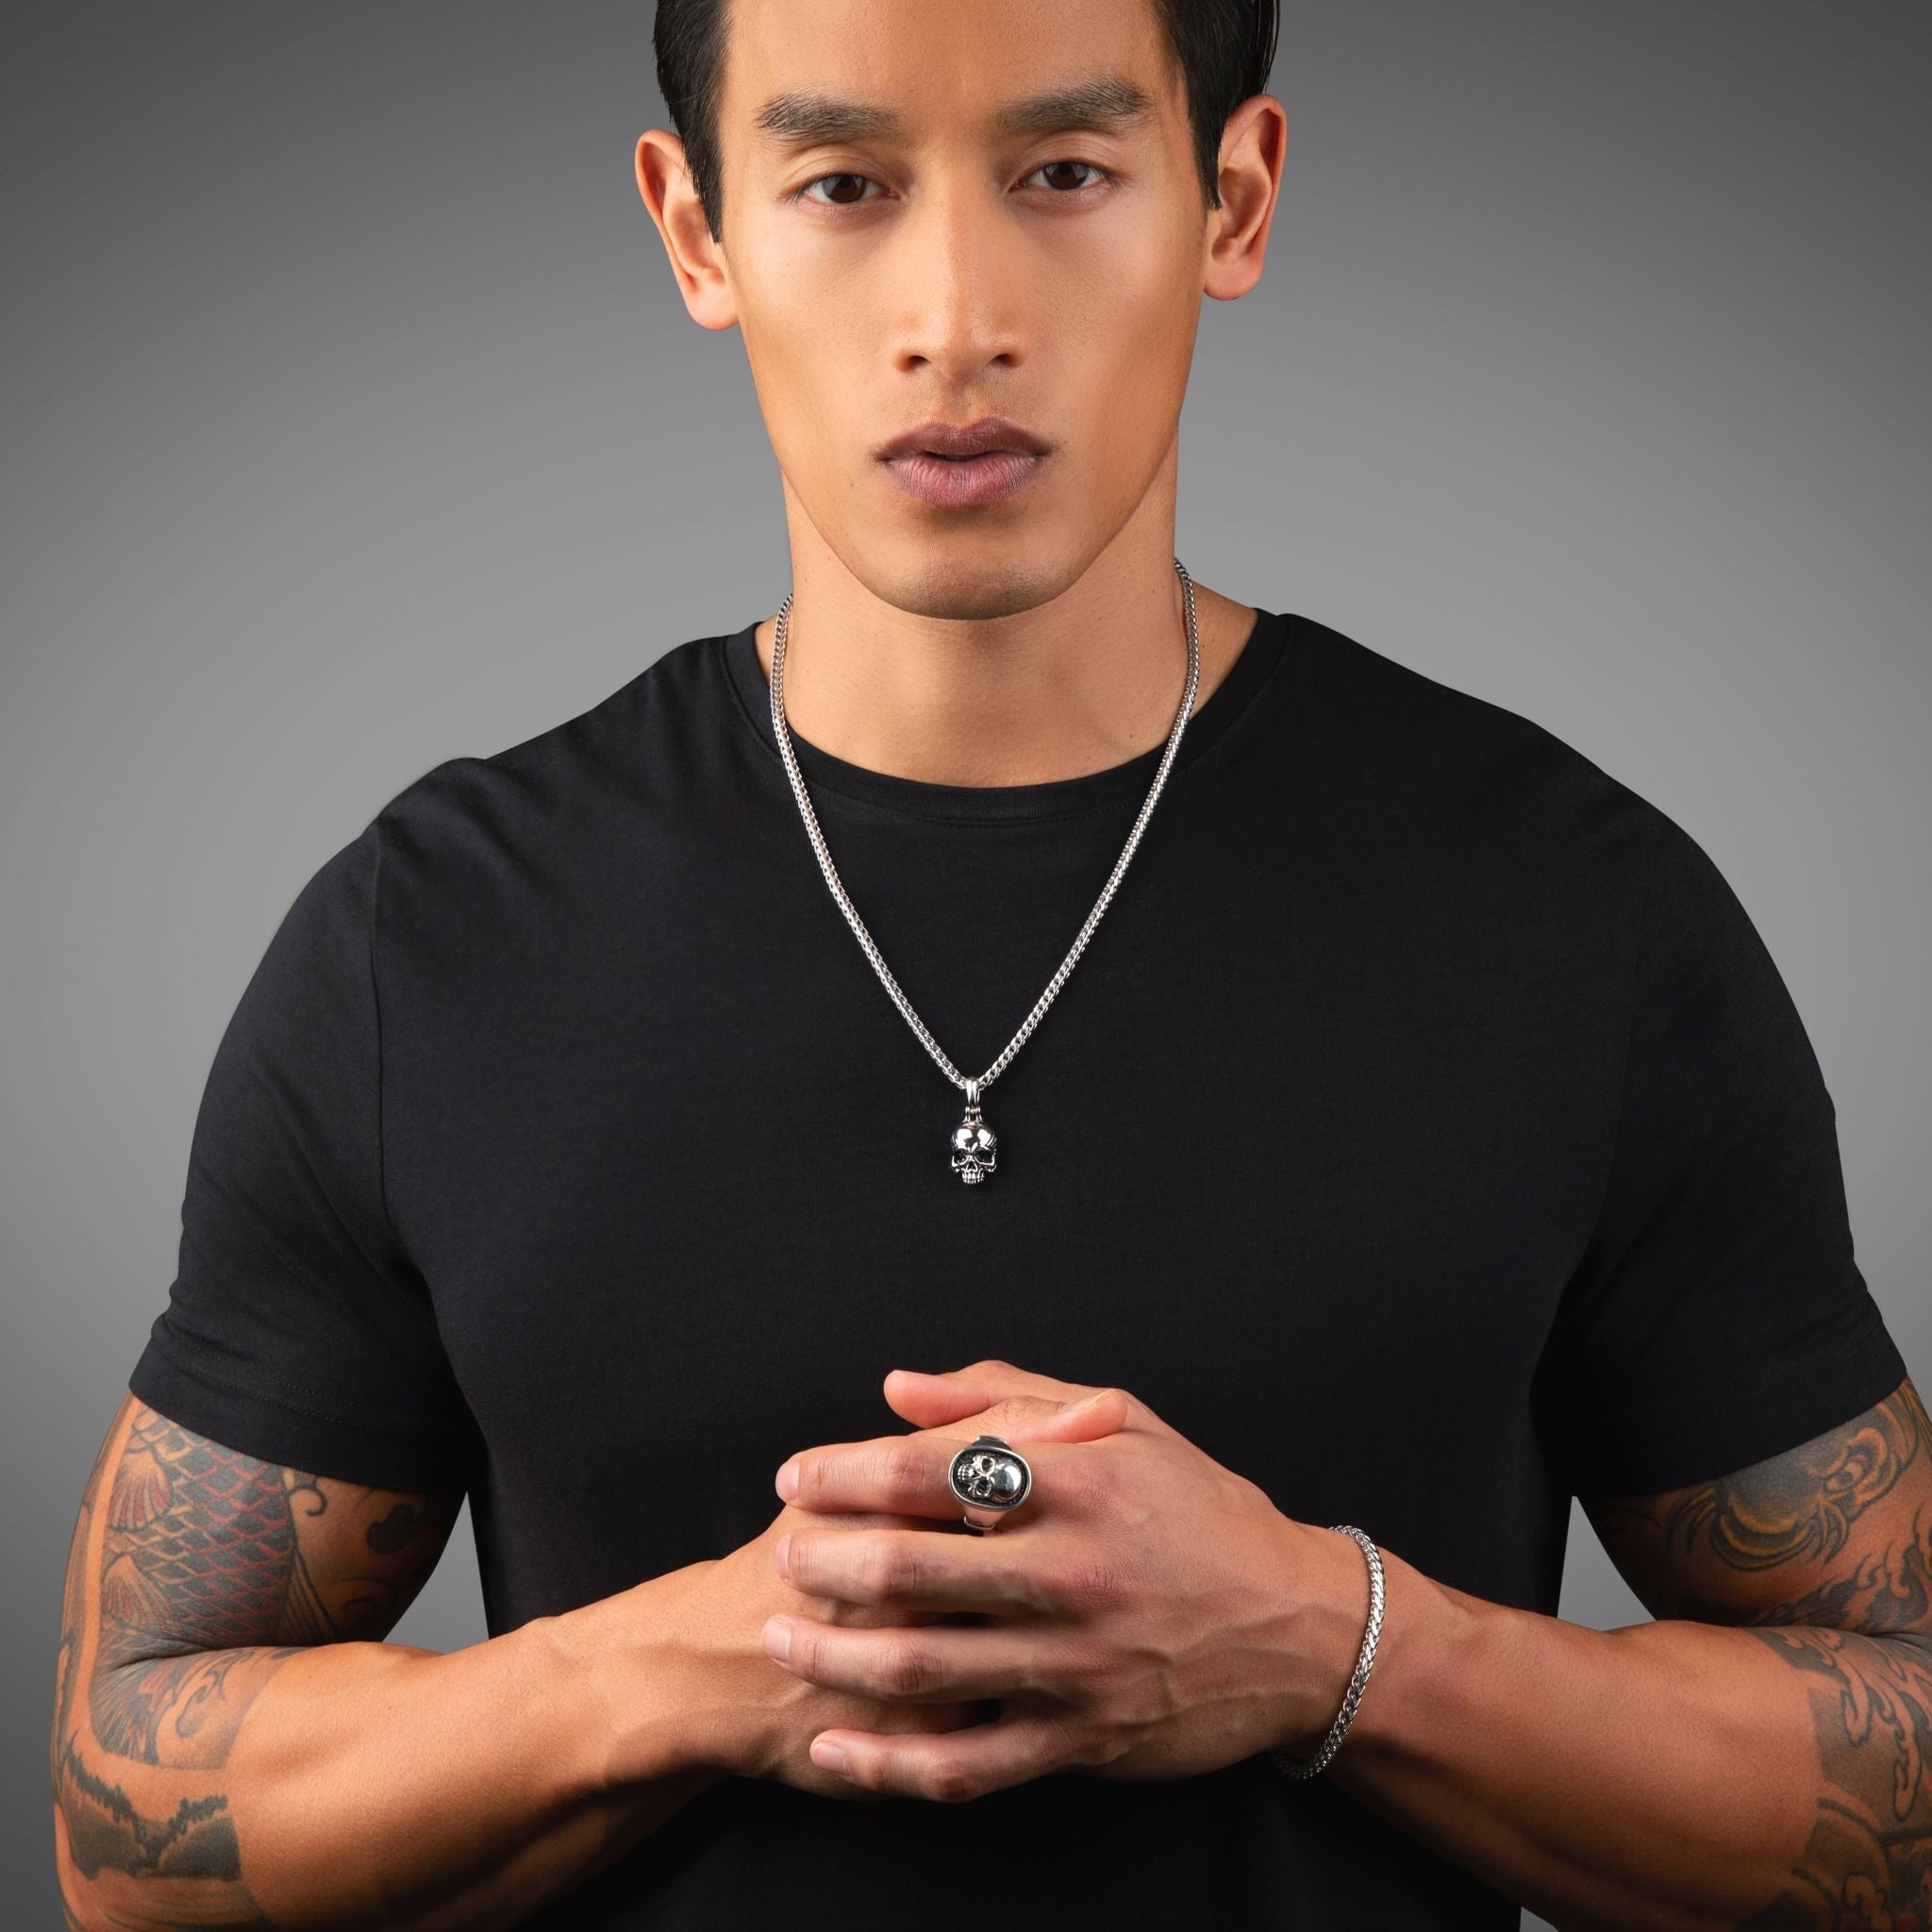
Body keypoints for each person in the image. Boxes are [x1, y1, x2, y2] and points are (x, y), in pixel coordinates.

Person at [50, 0, 1930, 1926]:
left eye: (1063, 172)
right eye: (845, 183)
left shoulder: (1578, 916)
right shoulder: (423, 943)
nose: (956, 312)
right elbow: (129, 1819)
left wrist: (1322, 1644)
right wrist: (698, 1665)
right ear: (699, 232)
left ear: (1232, 197)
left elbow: (1906, 1769)